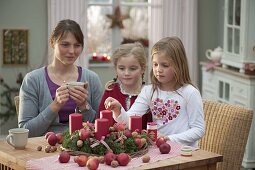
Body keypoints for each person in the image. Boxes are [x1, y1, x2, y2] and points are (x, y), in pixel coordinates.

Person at [105, 37, 205, 147]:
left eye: (165, 65)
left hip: (185, 153)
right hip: (159, 150)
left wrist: (169, 139)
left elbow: (198, 130)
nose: (158, 69)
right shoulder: (149, 91)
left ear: (179, 65)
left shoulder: (190, 93)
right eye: (155, 64)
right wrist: (118, 109)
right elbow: (128, 121)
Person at [18, 19, 103, 137]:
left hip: (83, 150)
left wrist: (84, 106)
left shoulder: (92, 79)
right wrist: (55, 105)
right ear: (53, 42)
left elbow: (102, 126)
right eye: (65, 44)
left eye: (77, 45)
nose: (72, 51)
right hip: (44, 148)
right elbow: (26, 131)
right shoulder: (32, 80)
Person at [98, 42, 152, 129]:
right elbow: (101, 122)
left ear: (142, 69)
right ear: (116, 69)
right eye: (122, 68)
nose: (126, 73)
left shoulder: (149, 94)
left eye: (132, 68)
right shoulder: (110, 91)